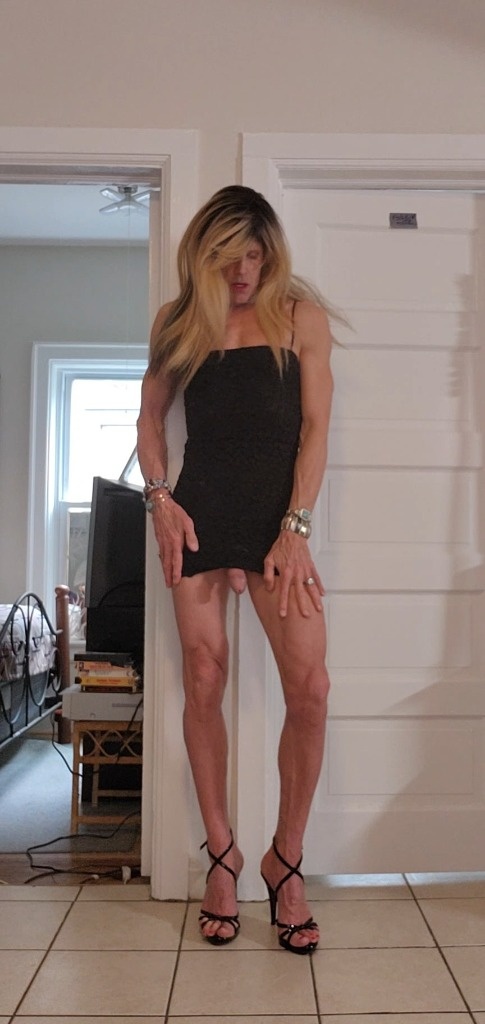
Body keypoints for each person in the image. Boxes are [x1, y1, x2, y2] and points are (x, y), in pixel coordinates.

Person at [136, 185, 334, 955]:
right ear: (203, 256)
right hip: (200, 514)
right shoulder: (178, 320)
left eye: (254, 254)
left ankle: (286, 860)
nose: (243, 270)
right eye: (227, 257)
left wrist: (295, 527)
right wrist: (160, 499)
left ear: (270, 253)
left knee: (310, 691)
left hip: (279, 524)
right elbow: (150, 418)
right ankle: (221, 856)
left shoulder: (299, 317)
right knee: (204, 677)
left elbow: (314, 429)